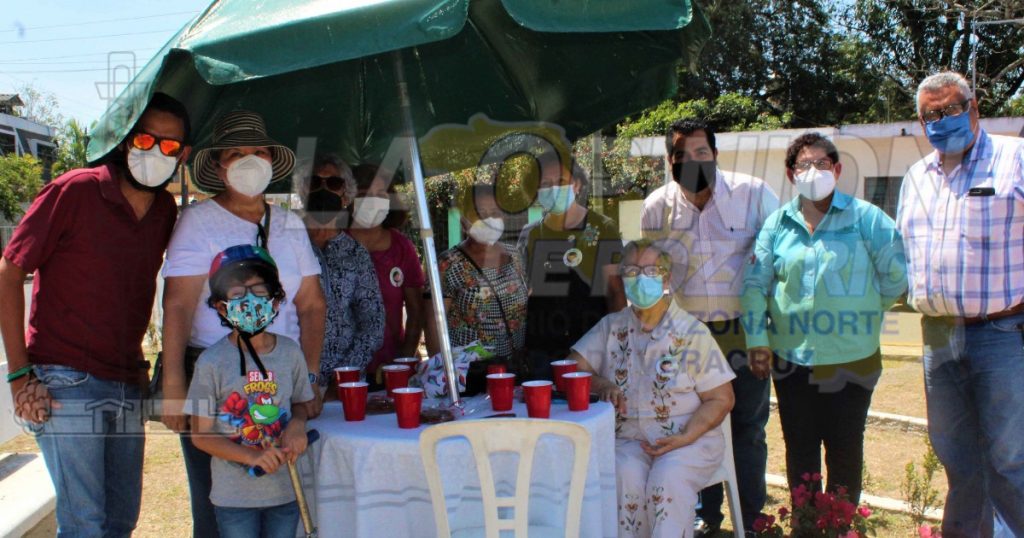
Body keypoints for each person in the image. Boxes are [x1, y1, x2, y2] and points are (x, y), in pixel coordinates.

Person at [0, 92, 190, 536]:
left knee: (121, 519)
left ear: (182, 155)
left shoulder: (164, 210)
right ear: (126, 141)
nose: (157, 153)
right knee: (87, 523)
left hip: (126, 379)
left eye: (170, 147)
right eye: (148, 139)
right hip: (65, 378)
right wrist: (20, 376)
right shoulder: (75, 190)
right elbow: (10, 272)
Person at [160, 110, 326, 537]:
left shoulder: (288, 223)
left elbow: (312, 306)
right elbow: (176, 305)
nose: (249, 161)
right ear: (219, 165)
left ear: (272, 160)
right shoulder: (198, 221)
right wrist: (175, 383)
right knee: (218, 504)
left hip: (280, 372)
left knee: (281, 495)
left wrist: (305, 380)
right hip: (215, 379)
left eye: (257, 152)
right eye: (237, 153)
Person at [741, 133, 907, 504]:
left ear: (837, 169)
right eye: (803, 164)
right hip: (792, 361)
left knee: (845, 451)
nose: (813, 170)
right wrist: (756, 340)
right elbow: (755, 287)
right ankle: (807, 527)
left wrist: (864, 311)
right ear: (790, 174)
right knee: (800, 452)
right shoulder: (776, 225)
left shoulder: (868, 219)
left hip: (853, 358)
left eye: (821, 163)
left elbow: (895, 277)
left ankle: (841, 527)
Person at [896, 71, 1024, 537]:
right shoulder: (915, 177)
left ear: (973, 109)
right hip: (938, 337)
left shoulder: (1015, 159)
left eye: (951, 109)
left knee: (1011, 458)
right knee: (957, 458)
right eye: (931, 114)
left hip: (1003, 333)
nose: (941, 120)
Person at [640, 118, 778, 534]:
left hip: (745, 331)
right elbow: (655, 276)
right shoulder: (657, 208)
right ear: (670, 161)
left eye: (702, 153)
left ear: (716, 155)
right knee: (695, 428)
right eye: (682, 155)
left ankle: (752, 521)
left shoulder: (753, 194)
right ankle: (707, 519)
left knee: (748, 429)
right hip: (690, 338)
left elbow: (777, 261)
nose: (693, 161)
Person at [569, 239, 735, 538]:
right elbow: (572, 366)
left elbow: (721, 398)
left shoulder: (692, 332)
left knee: (666, 479)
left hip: (688, 439)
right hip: (630, 439)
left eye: (650, 270)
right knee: (624, 475)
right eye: (632, 271)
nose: (640, 277)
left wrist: (685, 437)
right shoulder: (611, 326)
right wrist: (602, 383)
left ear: (666, 278)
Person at [185, 244, 314, 538]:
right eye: (237, 294)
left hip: (285, 492)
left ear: (277, 301)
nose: (249, 301)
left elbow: (302, 403)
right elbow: (201, 434)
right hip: (234, 500)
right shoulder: (211, 362)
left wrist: (297, 423)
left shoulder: (291, 353)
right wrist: (250, 457)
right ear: (220, 306)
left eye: (258, 292)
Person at [517, 160, 625, 375]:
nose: (553, 188)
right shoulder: (530, 234)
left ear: (576, 184)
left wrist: (620, 343)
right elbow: (525, 293)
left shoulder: (603, 227)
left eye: (560, 181)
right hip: (543, 347)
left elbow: (615, 292)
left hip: (591, 343)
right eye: (545, 184)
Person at [302, 153, 384, 387]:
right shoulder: (285, 243)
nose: (324, 189)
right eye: (315, 183)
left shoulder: (356, 253)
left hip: (342, 385)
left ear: (346, 195)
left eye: (334, 183)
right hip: (291, 380)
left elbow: (373, 323)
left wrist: (345, 376)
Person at [427, 184, 528, 357]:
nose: (489, 219)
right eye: (479, 213)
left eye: (495, 213)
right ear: (464, 219)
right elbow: (433, 325)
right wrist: (445, 372)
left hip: (514, 367)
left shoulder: (514, 255)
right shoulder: (448, 263)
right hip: (470, 372)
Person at [347, 164, 425, 380]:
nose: (372, 201)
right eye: (364, 194)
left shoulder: (402, 247)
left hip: (390, 365)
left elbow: (416, 312)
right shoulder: (334, 244)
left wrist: (402, 363)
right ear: (348, 199)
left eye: (380, 194)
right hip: (342, 370)